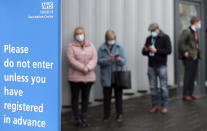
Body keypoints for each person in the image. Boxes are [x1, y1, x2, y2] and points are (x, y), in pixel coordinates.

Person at [67, 27, 98, 127]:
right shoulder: (70, 46)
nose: (79, 35)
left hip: (88, 77)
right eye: (77, 33)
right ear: (74, 35)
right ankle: (77, 119)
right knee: (75, 98)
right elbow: (71, 60)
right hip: (75, 77)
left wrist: (88, 68)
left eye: (81, 33)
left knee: (85, 98)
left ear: (84, 34)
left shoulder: (91, 45)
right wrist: (82, 68)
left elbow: (94, 58)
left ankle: (84, 117)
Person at [142, 23, 172, 114]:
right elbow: (143, 52)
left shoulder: (165, 37)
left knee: (163, 87)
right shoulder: (149, 38)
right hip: (151, 66)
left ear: (158, 29)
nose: (152, 33)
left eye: (153, 31)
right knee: (153, 87)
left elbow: (169, 51)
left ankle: (164, 106)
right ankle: (155, 105)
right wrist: (146, 50)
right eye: (151, 31)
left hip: (161, 65)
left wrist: (156, 50)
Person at [98, 30, 127, 122]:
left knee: (118, 97)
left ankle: (119, 114)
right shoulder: (101, 48)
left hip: (117, 75)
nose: (111, 41)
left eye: (113, 39)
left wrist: (118, 59)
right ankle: (106, 115)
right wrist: (107, 59)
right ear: (106, 39)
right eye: (110, 39)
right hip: (106, 76)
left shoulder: (119, 46)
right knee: (107, 98)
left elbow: (124, 61)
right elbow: (98, 61)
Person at [179, 16, 202, 101]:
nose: (200, 24)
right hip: (189, 58)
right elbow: (181, 42)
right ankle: (185, 94)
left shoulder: (194, 32)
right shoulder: (187, 31)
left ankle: (191, 93)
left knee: (193, 76)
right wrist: (185, 52)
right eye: (199, 23)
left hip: (195, 57)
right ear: (195, 22)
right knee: (188, 76)